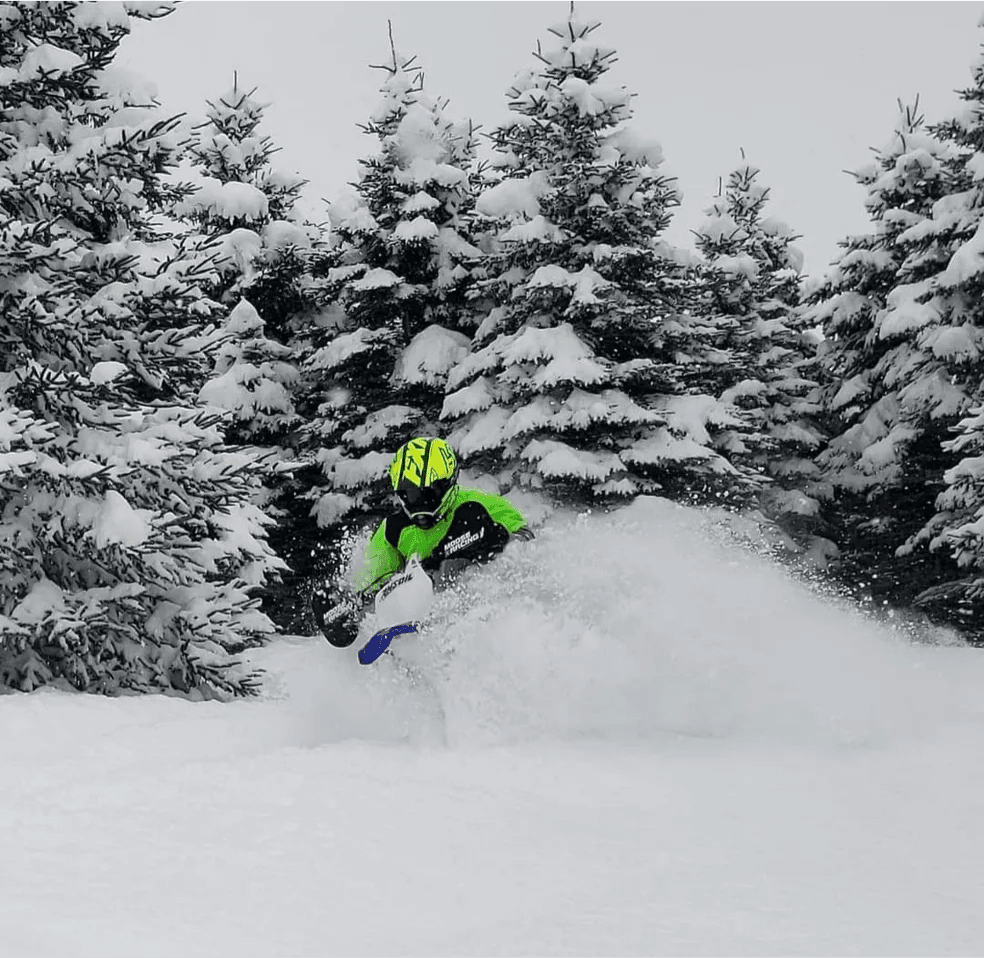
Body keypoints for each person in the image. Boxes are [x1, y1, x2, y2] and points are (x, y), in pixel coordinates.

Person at [313, 436, 533, 647]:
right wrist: (358, 603)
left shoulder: (483, 506)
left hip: (489, 611)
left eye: (427, 493)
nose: (419, 503)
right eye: (410, 495)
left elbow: (528, 547)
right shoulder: (392, 531)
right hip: (423, 620)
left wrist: (495, 542)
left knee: (466, 530)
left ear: (448, 484)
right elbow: (374, 580)